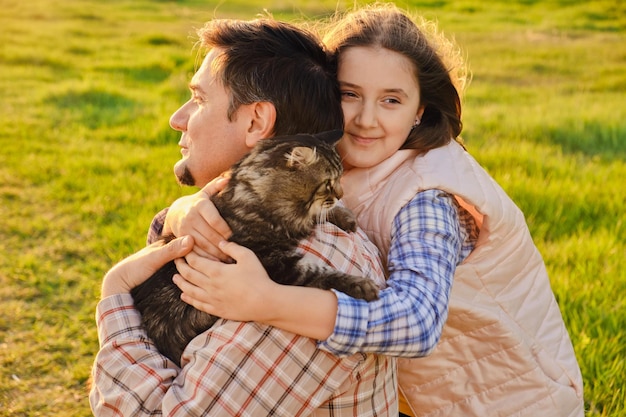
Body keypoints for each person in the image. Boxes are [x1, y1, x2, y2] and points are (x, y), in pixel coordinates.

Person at [168, 4, 585, 417]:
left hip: (508, 401)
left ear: (419, 110)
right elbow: (255, 190)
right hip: (424, 394)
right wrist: (188, 208)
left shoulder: (429, 197)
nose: (366, 119)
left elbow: (418, 322)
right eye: (350, 94)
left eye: (391, 100)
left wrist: (266, 299)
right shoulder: (330, 157)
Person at [89, 17, 398, 416]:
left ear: (256, 122)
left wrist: (115, 294)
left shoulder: (297, 276)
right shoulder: (235, 223)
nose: (177, 119)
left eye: (199, 100)